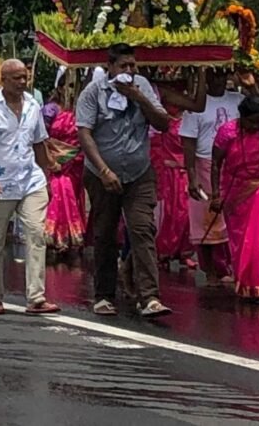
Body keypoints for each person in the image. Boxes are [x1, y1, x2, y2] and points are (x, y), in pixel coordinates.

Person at [76, 43, 172, 317]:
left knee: (142, 230)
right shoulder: (93, 92)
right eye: (123, 66)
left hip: (139, 172)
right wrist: (104, 171)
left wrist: (139, 97)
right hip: (101, 174)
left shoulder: (142, 86)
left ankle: (150, 297)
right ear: (110, 68)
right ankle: (104, 295)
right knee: (105, 233)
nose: (129, 71)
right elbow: (85, 134)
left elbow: (163, 123)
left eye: (133, 66)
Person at [0, 59, 61, 315]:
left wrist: (46, 178)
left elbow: (39, 142)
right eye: (17, 78)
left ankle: (36, 297)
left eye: (25, 77)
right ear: (3, 80)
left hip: (31, 181)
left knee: (36, 234)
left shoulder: (33, 105)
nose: (22, 82)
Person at [210, 96, 259, 302]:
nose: (256, 126)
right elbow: (216, 163)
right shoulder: (227, 132)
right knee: (240, 241)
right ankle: (244, 283)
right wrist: (216, 195)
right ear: (241, 117)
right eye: (251, 122)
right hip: (235, 193)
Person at [181, 70, 242, 285]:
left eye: (222, 74)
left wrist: (252, 84)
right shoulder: (196, 106)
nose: (218, 79)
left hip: (233, 166)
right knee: (207, 221)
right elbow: (188, 143)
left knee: (232, 220)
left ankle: (233, 266)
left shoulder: (238, 100)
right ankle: (212, 271)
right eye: (213, 75)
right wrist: (192, 177)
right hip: (205, 164)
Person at [41, 69, 86, 254]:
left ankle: (71, 237)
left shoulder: (81, 110)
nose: (71, 90)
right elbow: (41, 136)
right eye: (67, 86)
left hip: (75, 163)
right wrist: (51, 160)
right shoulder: (50, 109)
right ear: (59, 88)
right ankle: (55, 237)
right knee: (58, 193)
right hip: (56, 164)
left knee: (73, 196)